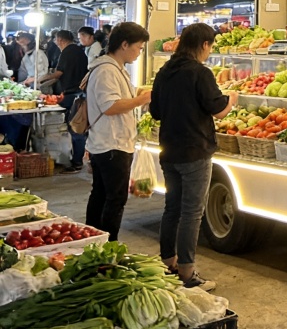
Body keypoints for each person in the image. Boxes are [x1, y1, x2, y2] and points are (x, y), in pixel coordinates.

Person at [150, 23, 238, 291]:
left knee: (172, 208)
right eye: (210, 46)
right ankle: (187, 272)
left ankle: (168, 263)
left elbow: (155, 111)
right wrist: (232, 99)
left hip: (169, 150)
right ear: (204, 45)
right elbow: (218, 109)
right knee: (192, 213)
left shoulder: (165, 71)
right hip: (195, 151)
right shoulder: (200, 72)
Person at [84, 22, 152, 241]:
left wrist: (136, 96)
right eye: (139, 47)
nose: (139, 52)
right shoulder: (106, 70)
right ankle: (107, 244)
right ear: (125, 44)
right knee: (114, 198)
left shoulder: (115, 68)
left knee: (102, 194)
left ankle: (94, 240)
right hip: (111, 144)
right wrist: (140, 100)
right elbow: (110, 106)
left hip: (109, 142)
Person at [39, 30, 89, 172]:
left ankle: (77, 162)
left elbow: (59, 72)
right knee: (76, 127)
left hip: (72, 95)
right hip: (78, 93)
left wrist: (41, 79)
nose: (55, 42)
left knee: (74, 128)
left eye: (55, 39)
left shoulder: (67, 52)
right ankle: (75, 159)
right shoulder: (79, 51)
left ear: (60, 39)